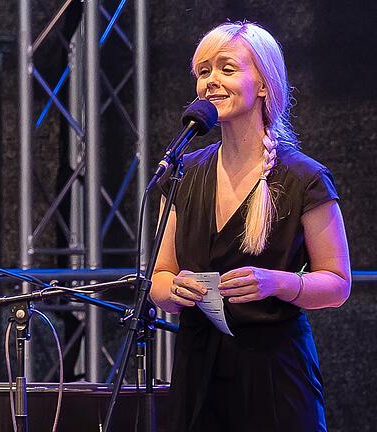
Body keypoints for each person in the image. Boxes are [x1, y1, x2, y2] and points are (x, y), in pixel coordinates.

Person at [150, 22, 351, 432]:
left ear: (263, 84)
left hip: (273, 374)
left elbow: (337, 283)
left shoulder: (303, 178)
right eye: (203, 72)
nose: (210, 82)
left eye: (226, 68)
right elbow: (158, 277)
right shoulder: (183, 171)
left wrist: (276, 283)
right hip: (198, 370)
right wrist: (174, 290)